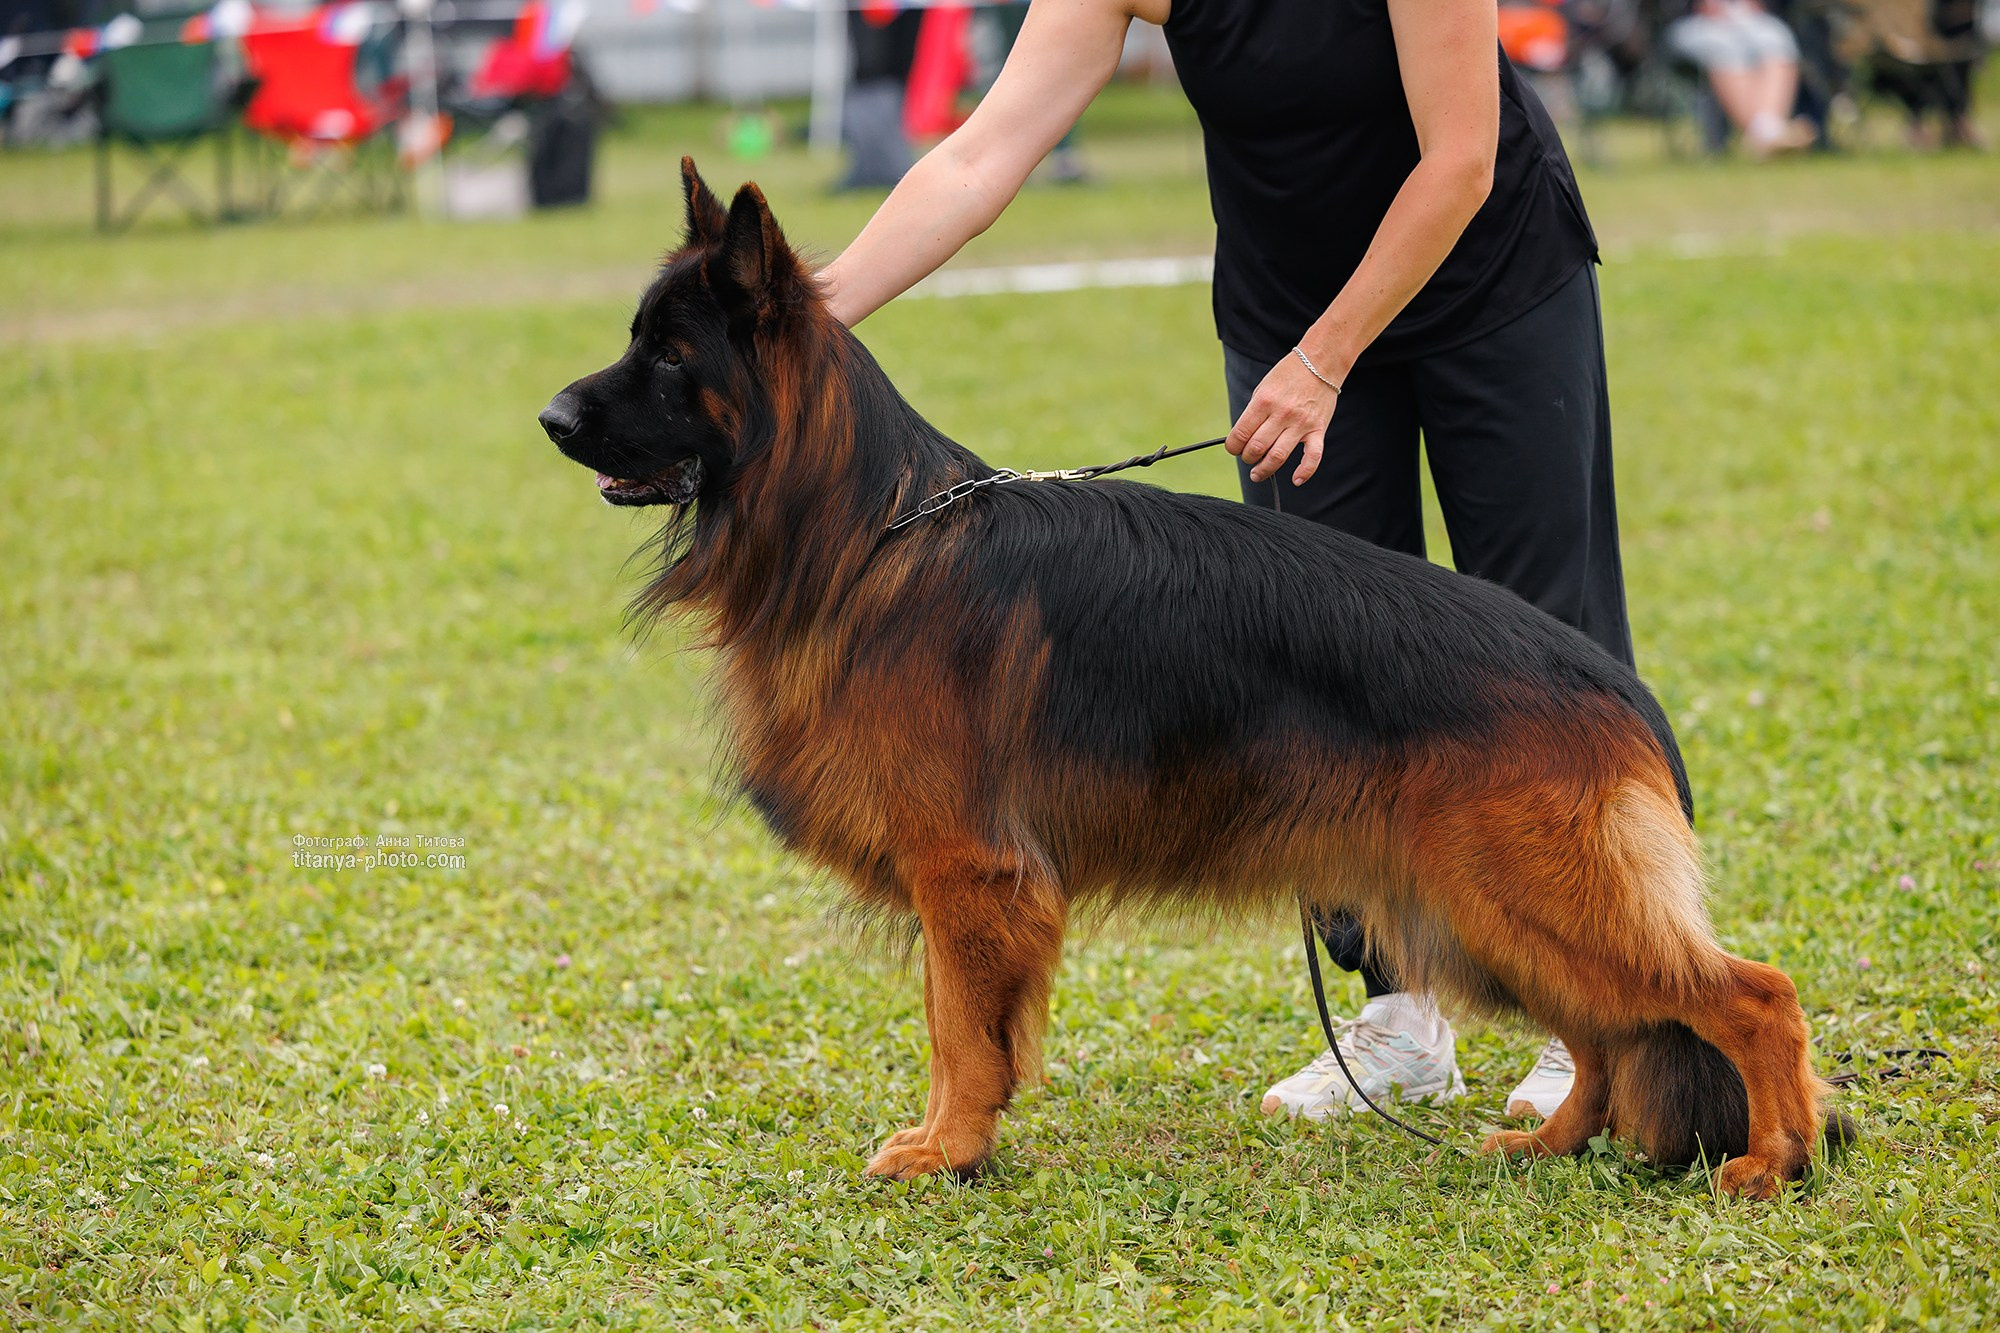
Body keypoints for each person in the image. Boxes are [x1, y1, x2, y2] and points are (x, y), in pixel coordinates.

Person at [816, 0, 1656, 1124]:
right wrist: (800, 318)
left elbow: (1457, 161)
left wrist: (1327, 356)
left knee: (1542, 623)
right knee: (1316, 662)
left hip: (1489, 282)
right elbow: (979, 153)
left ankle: (1591, 1010)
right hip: (1286, 301)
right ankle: (1399, 1016)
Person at [1664, 0, 1818, 156]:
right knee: (1724, 47)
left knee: (1776, 40)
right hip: (1694, 22)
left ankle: (1770, 129)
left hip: (1751, 18)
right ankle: (1765, 134)